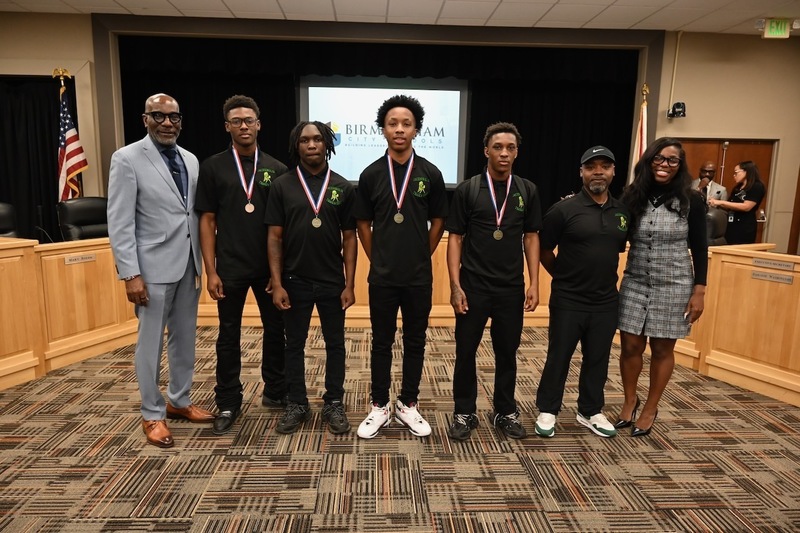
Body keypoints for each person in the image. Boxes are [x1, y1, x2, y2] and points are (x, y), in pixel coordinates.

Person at [107, 93, 214, 448]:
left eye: (174, 117)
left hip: (188, 263)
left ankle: (179, 401)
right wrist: (130, 273)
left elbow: (192, 214)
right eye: (159, 116)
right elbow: (120, 221)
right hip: (150, 268)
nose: (167, 123)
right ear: (145, 119)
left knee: (184, 338)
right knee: (149, 343)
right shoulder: (126, 159)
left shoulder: (191, 159)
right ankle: (152, 413)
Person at [353, 95, 448, 439]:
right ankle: (379, 404)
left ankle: (408, 403)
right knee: (380, 341)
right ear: (383, 129)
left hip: (418, 276)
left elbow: (438, 219)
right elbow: (363, 223)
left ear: (416, 129)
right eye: (393, 123)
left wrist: (425, 250)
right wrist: (375, 254)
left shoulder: (430, 173)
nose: (399, 129)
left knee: (415, 341)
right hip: (382, 276)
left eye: (406, 123)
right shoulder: (371, 174)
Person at [196, 95, 288, 436]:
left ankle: (276, 391)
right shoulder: (213, 167)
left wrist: (278, 274)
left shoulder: (277, 169)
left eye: (249, 120)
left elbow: (282, 228)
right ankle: (228, 400)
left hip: (268, 271)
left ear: (259, 124)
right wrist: (211, 269)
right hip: (230, 267)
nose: (244, 126)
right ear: (227, 126)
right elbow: (206, 220)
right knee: (228, 336)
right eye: (237, 121)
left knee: (276, 331)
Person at [446, 122, 541, 441]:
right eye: (498, 147)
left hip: (510, 288)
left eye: (510, 148)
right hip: (473, 286)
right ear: (486, 151)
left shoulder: (526, 189)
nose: (504, 152)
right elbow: (455, 238)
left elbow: (531, 237)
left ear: (517, 152)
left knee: (507, 352)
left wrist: (534, 283)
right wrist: (455, 285)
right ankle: (464, 410)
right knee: (465, 350)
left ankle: (505, 409)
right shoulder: (468, 189)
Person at [265, 121, 357, 434]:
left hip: (332, 281)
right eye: (305, 140)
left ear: (327, 144)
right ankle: (297, 403)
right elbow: (274, 237)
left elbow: (349, 238)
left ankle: (333, 402)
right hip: (294, 280)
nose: (312, 145)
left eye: (318, 139)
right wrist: (276, 283)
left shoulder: (343, 187)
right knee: (294, 346)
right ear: (297, 146)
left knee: (335, 345)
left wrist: (350, 283)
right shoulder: (282, 185)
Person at [534, 146, 629, 439]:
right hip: (568, 299)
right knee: (558, 356)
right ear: (581, 173)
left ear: (613, 172)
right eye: (591, 167)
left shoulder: (622, 212)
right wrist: (562, 275)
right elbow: (544, 249)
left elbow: (617, 249)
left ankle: (590, 410)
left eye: (604, 166)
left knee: (598, 358)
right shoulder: (563, 210)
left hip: (605, 301)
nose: (598, 172)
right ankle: (548, 409)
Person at [616, 137, 708, 437]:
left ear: (679, 166)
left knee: (661, 348)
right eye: (659, 158)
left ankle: (650, 407)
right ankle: (630, 400)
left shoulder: (691, 199)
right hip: (636, 281)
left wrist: (699, 290)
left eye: (672, 160)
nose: (664, 165)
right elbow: (618, 236)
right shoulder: (632, 195)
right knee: (630, 345)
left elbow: (700, 246)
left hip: (675, 283)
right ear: (648, 160)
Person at [709, 160, 766, 245]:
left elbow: (746, 206)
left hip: (744, 227)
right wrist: (714, 202)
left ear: (746, 172)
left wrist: (720, 202)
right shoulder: (738, 187)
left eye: (736, 172)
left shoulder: (756, 186)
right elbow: (730, 205)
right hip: (731, 224)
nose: (734, 175)